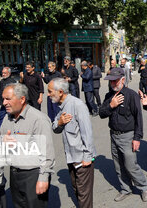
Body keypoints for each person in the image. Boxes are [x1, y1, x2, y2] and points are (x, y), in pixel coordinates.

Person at [99, 68, 147, 202]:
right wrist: (111, 105)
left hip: (128, 136)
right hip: (114, 135)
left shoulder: (131, 95)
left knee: (131, 166)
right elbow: (102, 113)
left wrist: (137, 138)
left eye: (115, 81)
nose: (113, 84)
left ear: (122, 79)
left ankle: (144, 187)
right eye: (111, 81)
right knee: (118, 166)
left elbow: (139, 118)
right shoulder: (109, 96)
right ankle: (126, 189)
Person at [1, 83, 55, 207]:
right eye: (3, 99)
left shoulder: (38, 119)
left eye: (8, 99)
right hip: (14, 174)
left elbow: (47, 153)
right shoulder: (7, 118)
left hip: (33, 175)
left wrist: (43, 178)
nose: (4, 103)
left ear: (22, 99)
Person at [48, 78, 97, 208]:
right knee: (76, 190)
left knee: (84, 195)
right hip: (71, 157)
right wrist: (59, 123)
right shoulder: (59, 105)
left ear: (60, 91)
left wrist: (88, 157)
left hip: (82, 158)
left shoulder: (77, 105)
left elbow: (87, 133)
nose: (48, 94)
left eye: (50, 91)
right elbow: (55, 128)